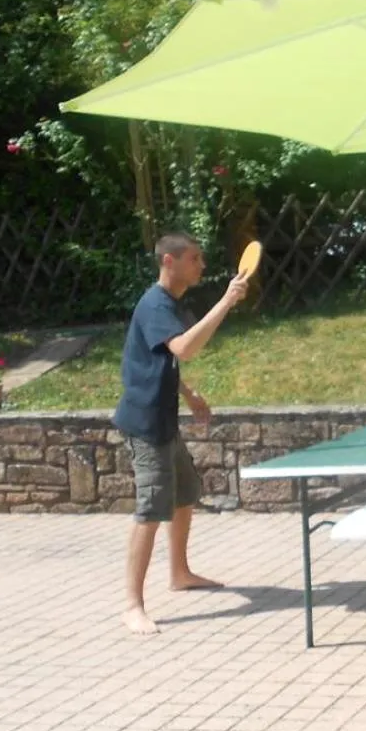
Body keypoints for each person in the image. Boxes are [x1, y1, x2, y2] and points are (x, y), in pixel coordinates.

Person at [115, 232, 248, 634]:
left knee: (185, 494)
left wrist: (187, 394)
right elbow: (185, 349)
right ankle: (132, 606)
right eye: (195, 258)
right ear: (169, 262)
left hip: (164, 420)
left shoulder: (169, 304)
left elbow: (159, 357)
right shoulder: (156, 302)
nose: (201, 265)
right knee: (151, 510)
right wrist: (225, 301)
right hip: (145, 425)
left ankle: (180, 573)